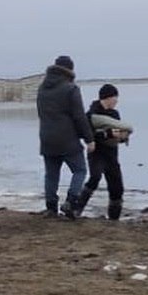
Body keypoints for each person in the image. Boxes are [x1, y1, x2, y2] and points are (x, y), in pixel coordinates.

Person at [36, 54, 94, 219]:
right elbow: (79, 116)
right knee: (80, 170)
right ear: (70, 70)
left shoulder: (42, 88)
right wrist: (89, 139)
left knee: (51, 174)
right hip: (67, 139)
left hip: (47, 138)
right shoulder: (71, 88)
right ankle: (71, 201)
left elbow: (41, 113)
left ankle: (51, 207)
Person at [80, 83, 128, 220]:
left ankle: (114, 218)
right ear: (107, 98)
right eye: (115, 97)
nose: (116, 100)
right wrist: (107, 134)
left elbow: (118, 133)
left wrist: (123, 137)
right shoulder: (91, 114)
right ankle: (77, 209)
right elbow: (88, 134)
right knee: (95, 178)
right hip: (97, 153)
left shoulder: (115, 114)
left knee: (117, 187)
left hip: (112, 154)